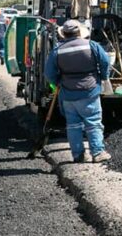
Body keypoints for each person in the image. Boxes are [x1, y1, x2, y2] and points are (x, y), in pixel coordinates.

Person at [45, 19, 111, 163]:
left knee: (73, 125)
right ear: (79, 32)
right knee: (93, 122)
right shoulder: (91, 45)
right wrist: (103, 77)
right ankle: (97, 152)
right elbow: (105, 62)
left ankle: (78, 155)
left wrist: (58, 83)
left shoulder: (57, 50)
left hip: (68, 94)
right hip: (90, 91)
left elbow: (49, 73)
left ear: (64, 34)